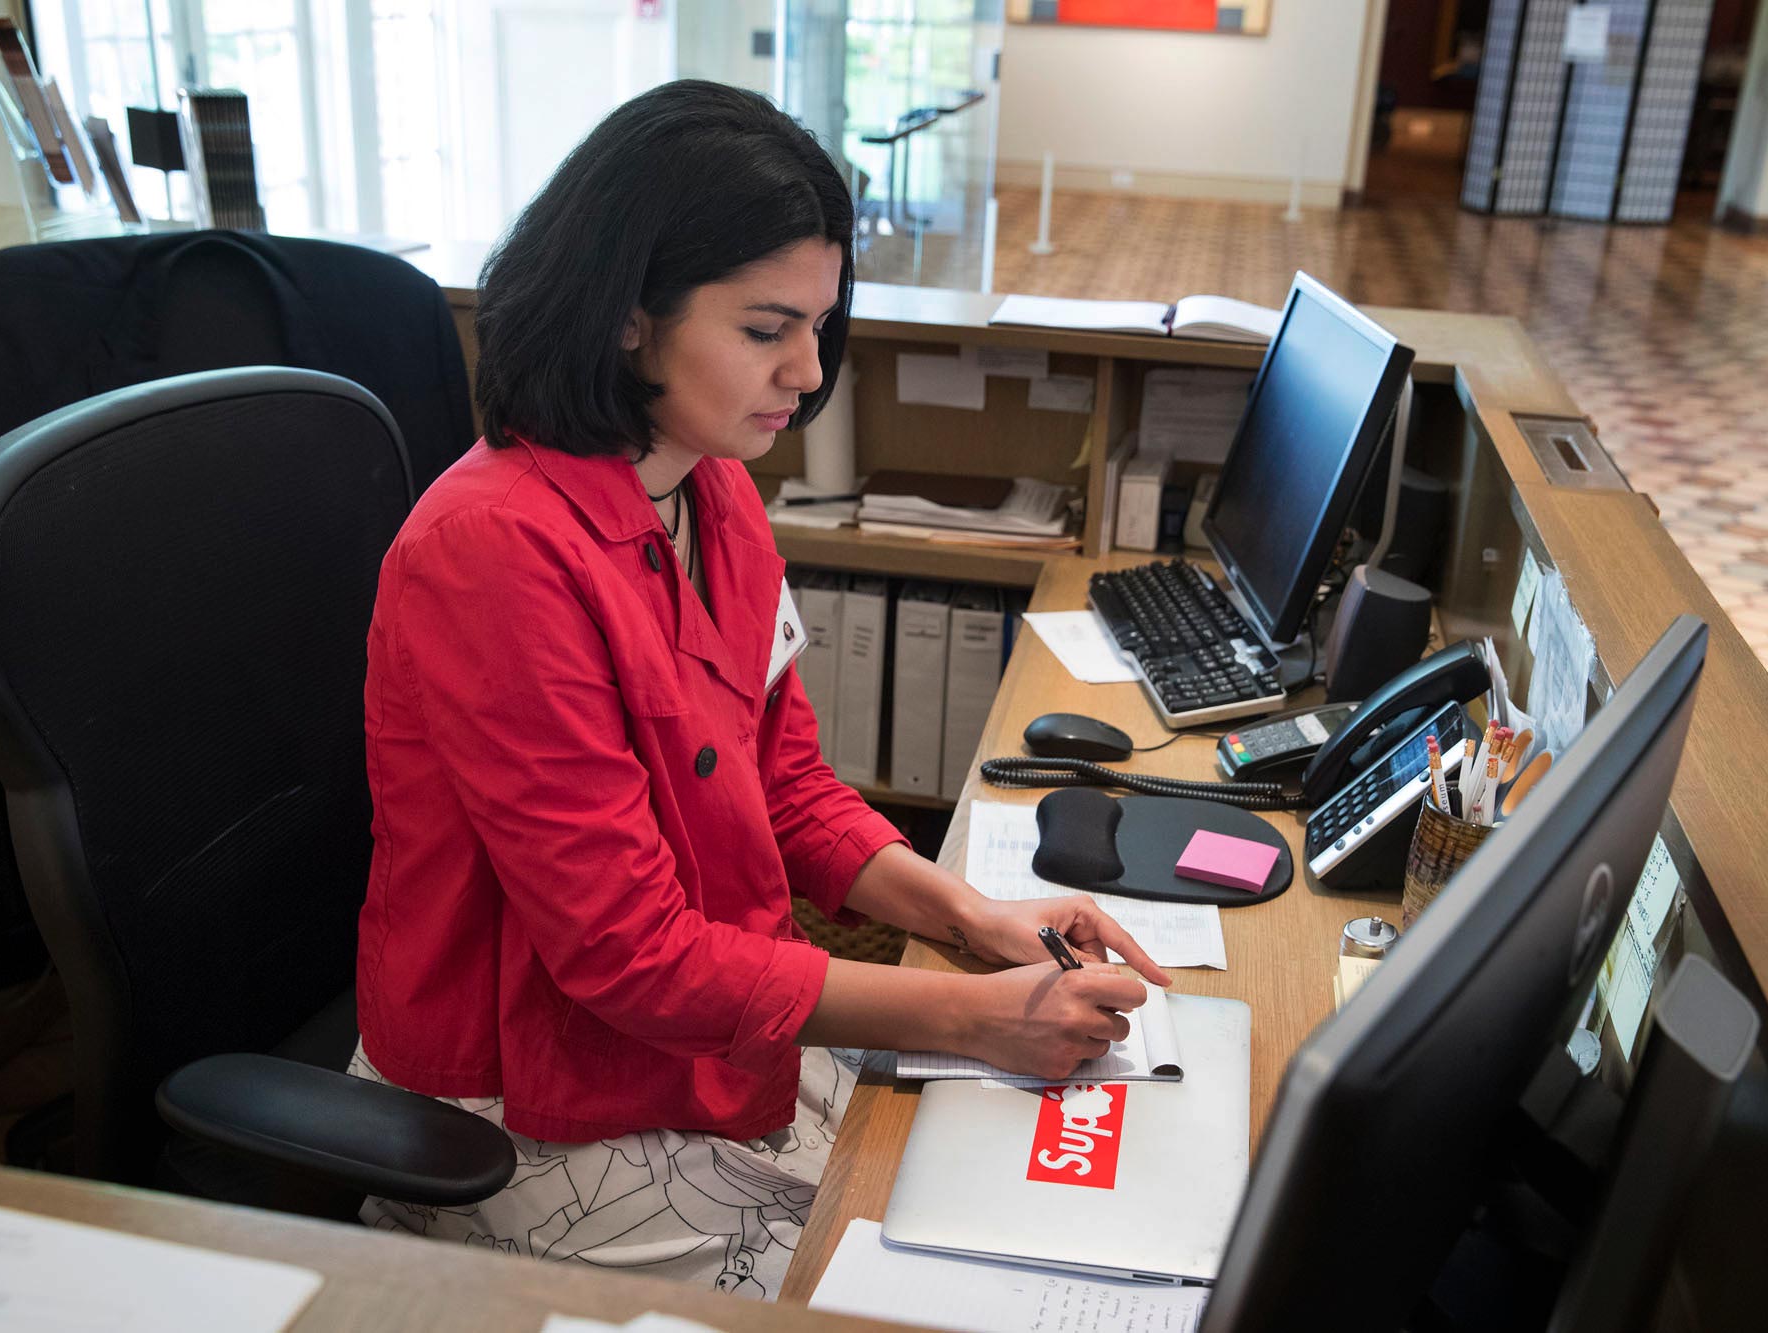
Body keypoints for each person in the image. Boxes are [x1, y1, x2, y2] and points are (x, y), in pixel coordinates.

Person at [346, 80, 1165, 1297]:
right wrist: (975, 1018)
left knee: (1006, 1198)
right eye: (765, 327)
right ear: (627, 317)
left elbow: (782, 784)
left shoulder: (707, 485)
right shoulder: (495, 551)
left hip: (689, 1031)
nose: (808, 370)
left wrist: (969, 919)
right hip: (519, 1099)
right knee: (932, 1285)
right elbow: (625, 955)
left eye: (821, 324)